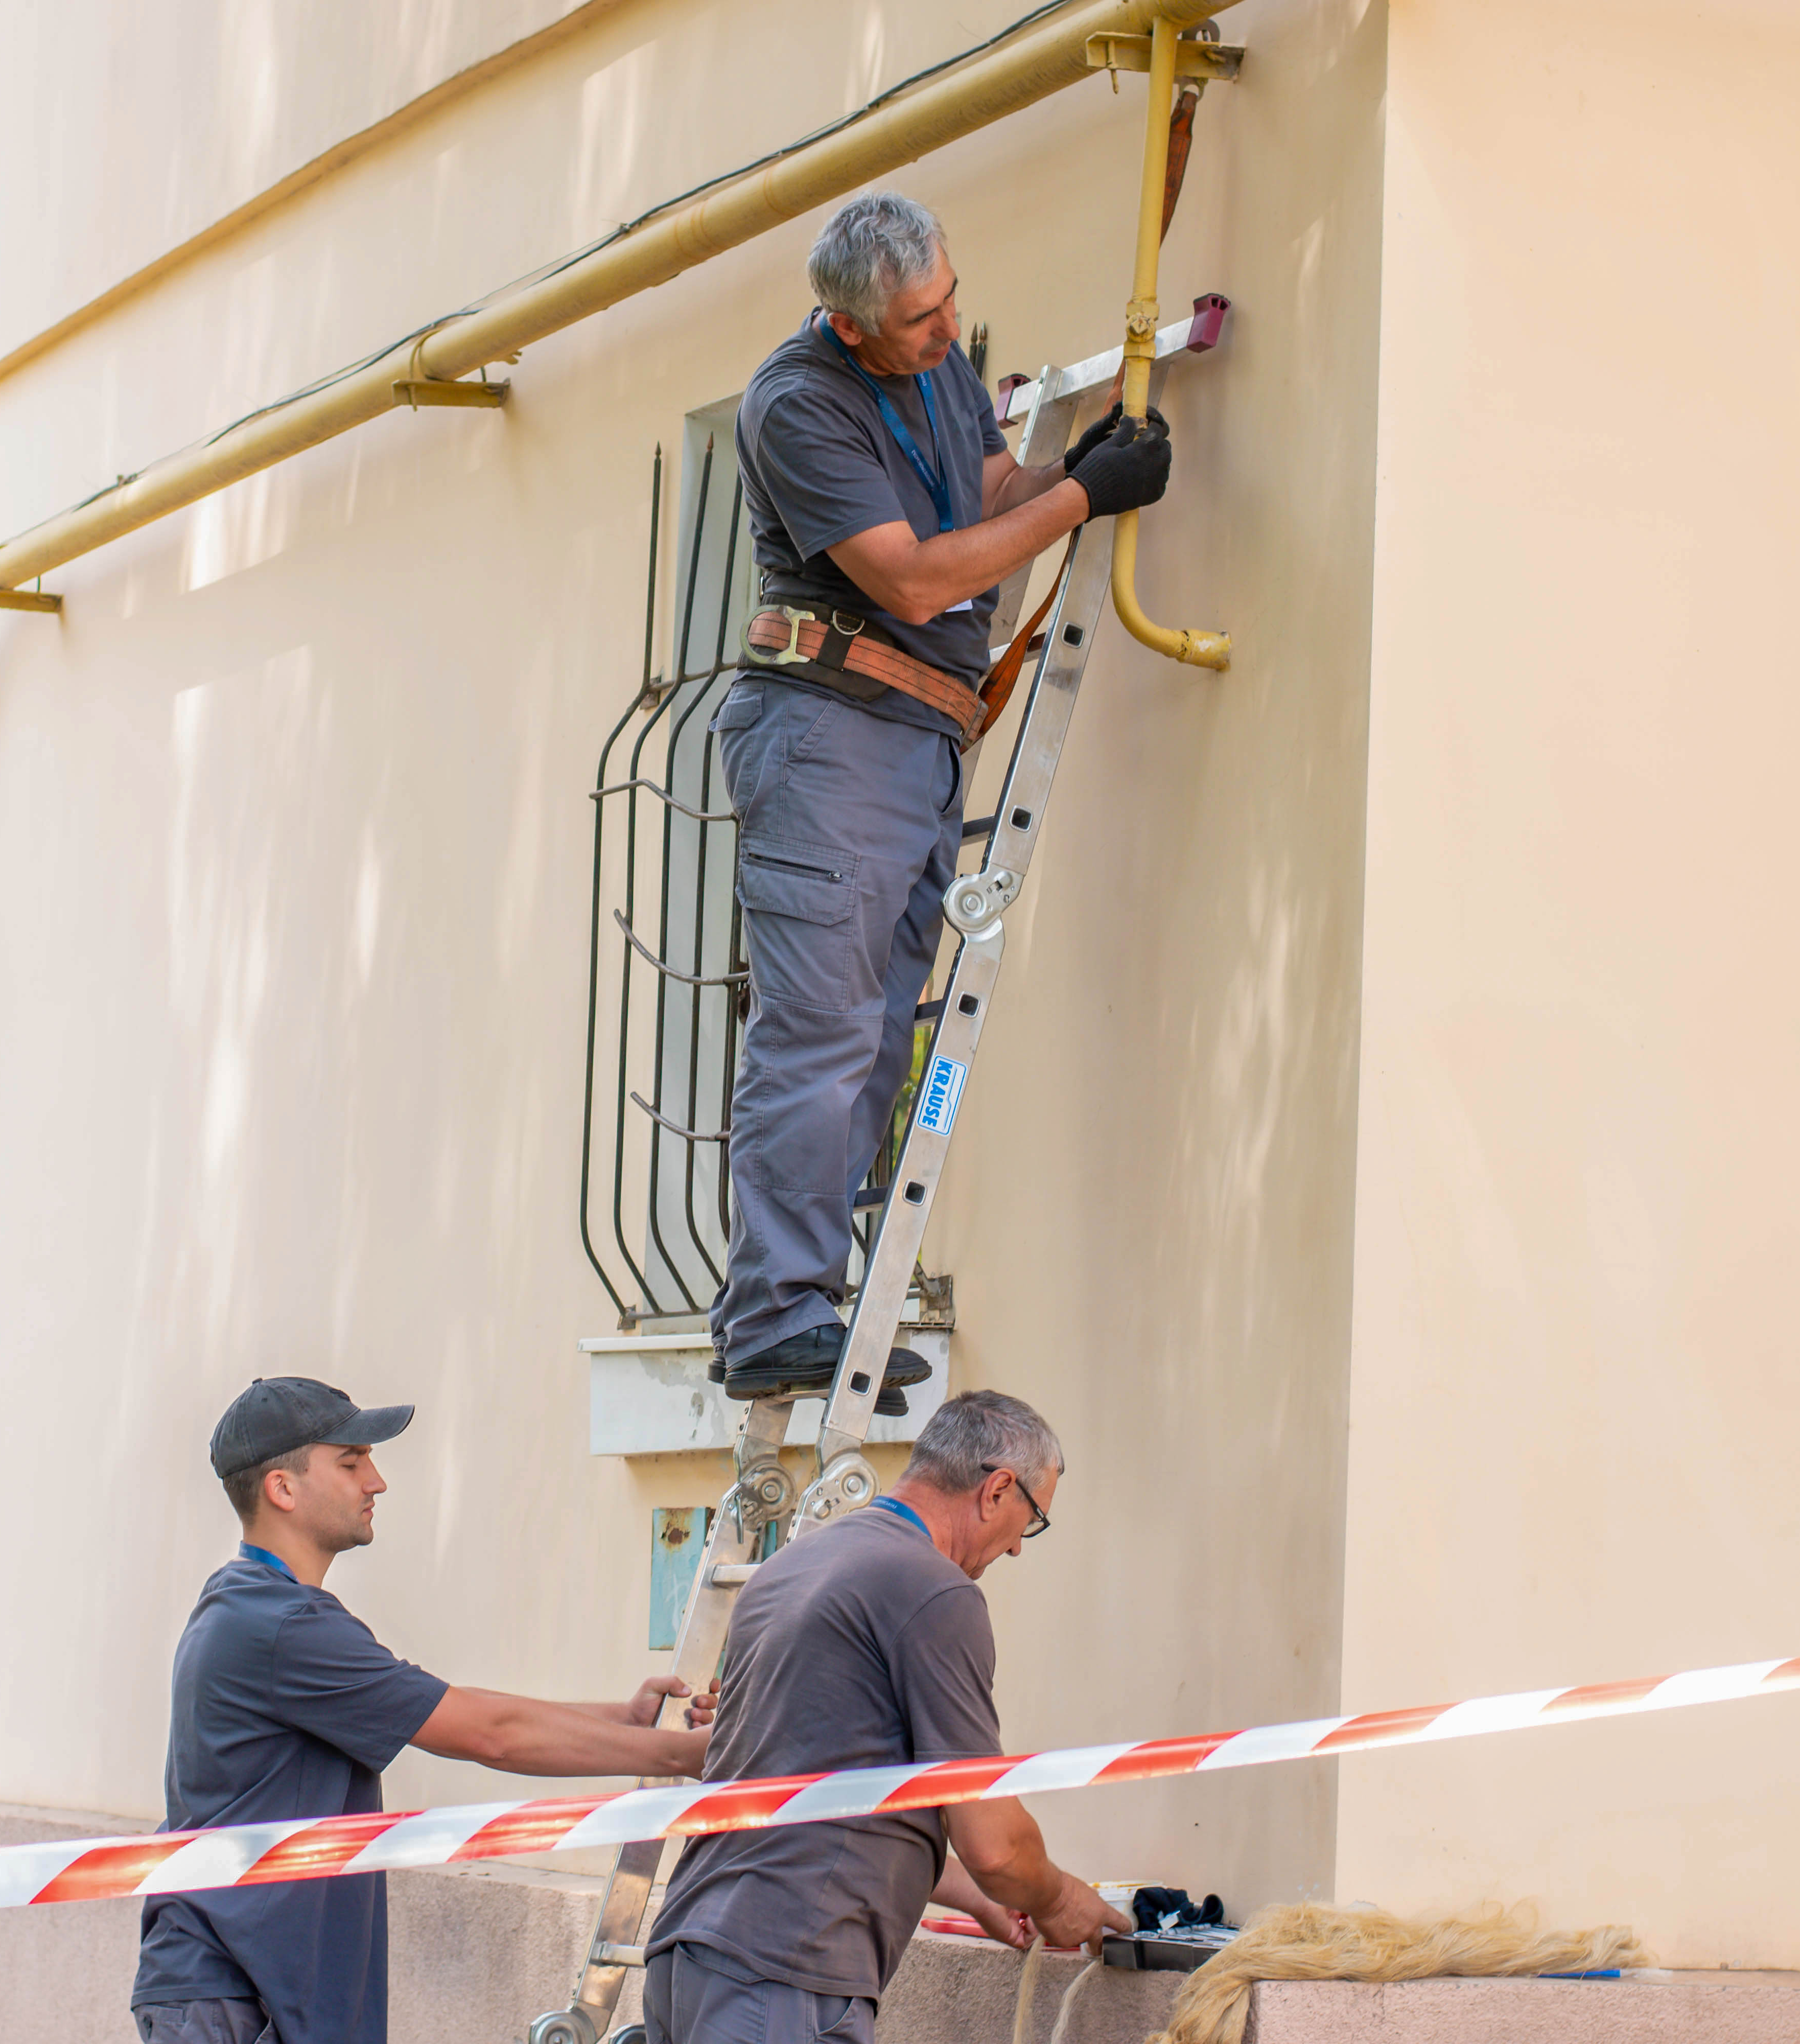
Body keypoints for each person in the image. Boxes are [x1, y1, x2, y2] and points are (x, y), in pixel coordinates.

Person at [711, 193, 1174, 1402]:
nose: (943, 327)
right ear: (849, 324)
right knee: (818, 1034)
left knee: (870, 1043)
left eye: (948, 299)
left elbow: (986, 493)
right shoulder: (798, 403)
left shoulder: (938, 367)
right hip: (831, 729)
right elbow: (915, 579)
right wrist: (1083, 502)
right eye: (918, 320)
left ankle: (804, 1297)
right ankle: (774, 1315)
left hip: (916, 736)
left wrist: (1069, 472)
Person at [130, 1378, 715, 2044]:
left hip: (242, 1986)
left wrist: (624, 1721)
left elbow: (451, 1706)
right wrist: (689, 1756)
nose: (375, 1481)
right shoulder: (279, 1624)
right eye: (351, 1463)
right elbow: (488, 1735)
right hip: (234, 1994)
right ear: (282, 1489)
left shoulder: (252, 1606)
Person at [643, 1391, 1128, 2044]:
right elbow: (993, 1841)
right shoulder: (935, 1592)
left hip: (692, 1957)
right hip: (786, 1977)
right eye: (1032, 1518)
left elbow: (829, 1798)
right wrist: (1059, 1898)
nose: (1017, 1550)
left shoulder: (786, 1571)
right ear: (998, 1489)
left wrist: (982, 1898)